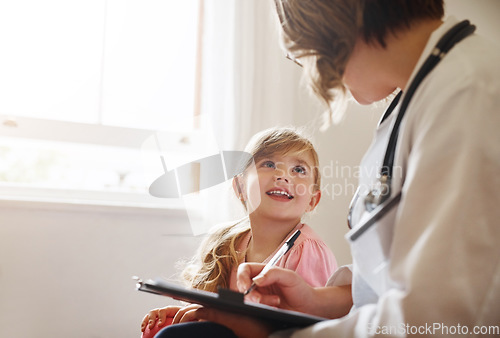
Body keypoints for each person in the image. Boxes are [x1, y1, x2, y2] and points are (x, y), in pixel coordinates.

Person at [157, 0, 500, 337]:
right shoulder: (413, 101)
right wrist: (313, 300)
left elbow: (440, 318)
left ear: (329, 25)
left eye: (301, 55)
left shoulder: (469, 94)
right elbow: (384, 282)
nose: (314, 73)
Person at [141, 127, 337, 337]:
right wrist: (189, 313)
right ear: (240, 187)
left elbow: (304, 330)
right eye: (269, 164)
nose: (283, 176)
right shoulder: (227, 243)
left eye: (299, 170)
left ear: (313, 200)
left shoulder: (307, 250)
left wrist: (211, 317)